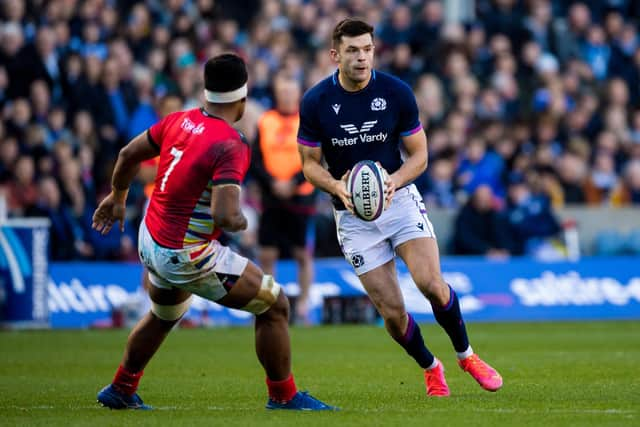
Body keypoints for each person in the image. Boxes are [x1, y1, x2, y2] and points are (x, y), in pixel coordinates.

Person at [92, 53, 334, 411]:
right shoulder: (230, 143)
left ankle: (121, 388)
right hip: (185, 251)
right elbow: (225, 214)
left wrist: (117, 197)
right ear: (242, 100)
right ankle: (284, 396)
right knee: (274, 305)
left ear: (207, 92)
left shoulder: (178, 120)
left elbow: (128, 153)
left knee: (164, 315)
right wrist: (241, 221)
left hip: (151, 238)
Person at [297, 19, 503, 397]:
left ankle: (466, 355)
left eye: (367, 49)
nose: (361, 58)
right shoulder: (315, 101)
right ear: (334, 55)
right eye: (352, 50)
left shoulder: (396, 92)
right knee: (392, 315)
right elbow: (309, 164)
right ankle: (430, 365)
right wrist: (336, 186)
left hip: (398, 200)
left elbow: (420, 156)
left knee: (432, 285)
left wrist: (395, 180)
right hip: (352, 216)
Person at [251, 73, 316, 323]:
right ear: (277, 94)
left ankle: (304, 305)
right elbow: (254, 159)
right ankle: (268, 303)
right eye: (283, 92)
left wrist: (294, 182)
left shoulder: (307, 121)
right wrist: (272, 183)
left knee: (302, 253)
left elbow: (316, 158)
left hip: (300, 197)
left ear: (298, 94)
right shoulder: (266, 121)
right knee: (267, 253)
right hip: (272, 197)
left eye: (291, 91)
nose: (287, 96)